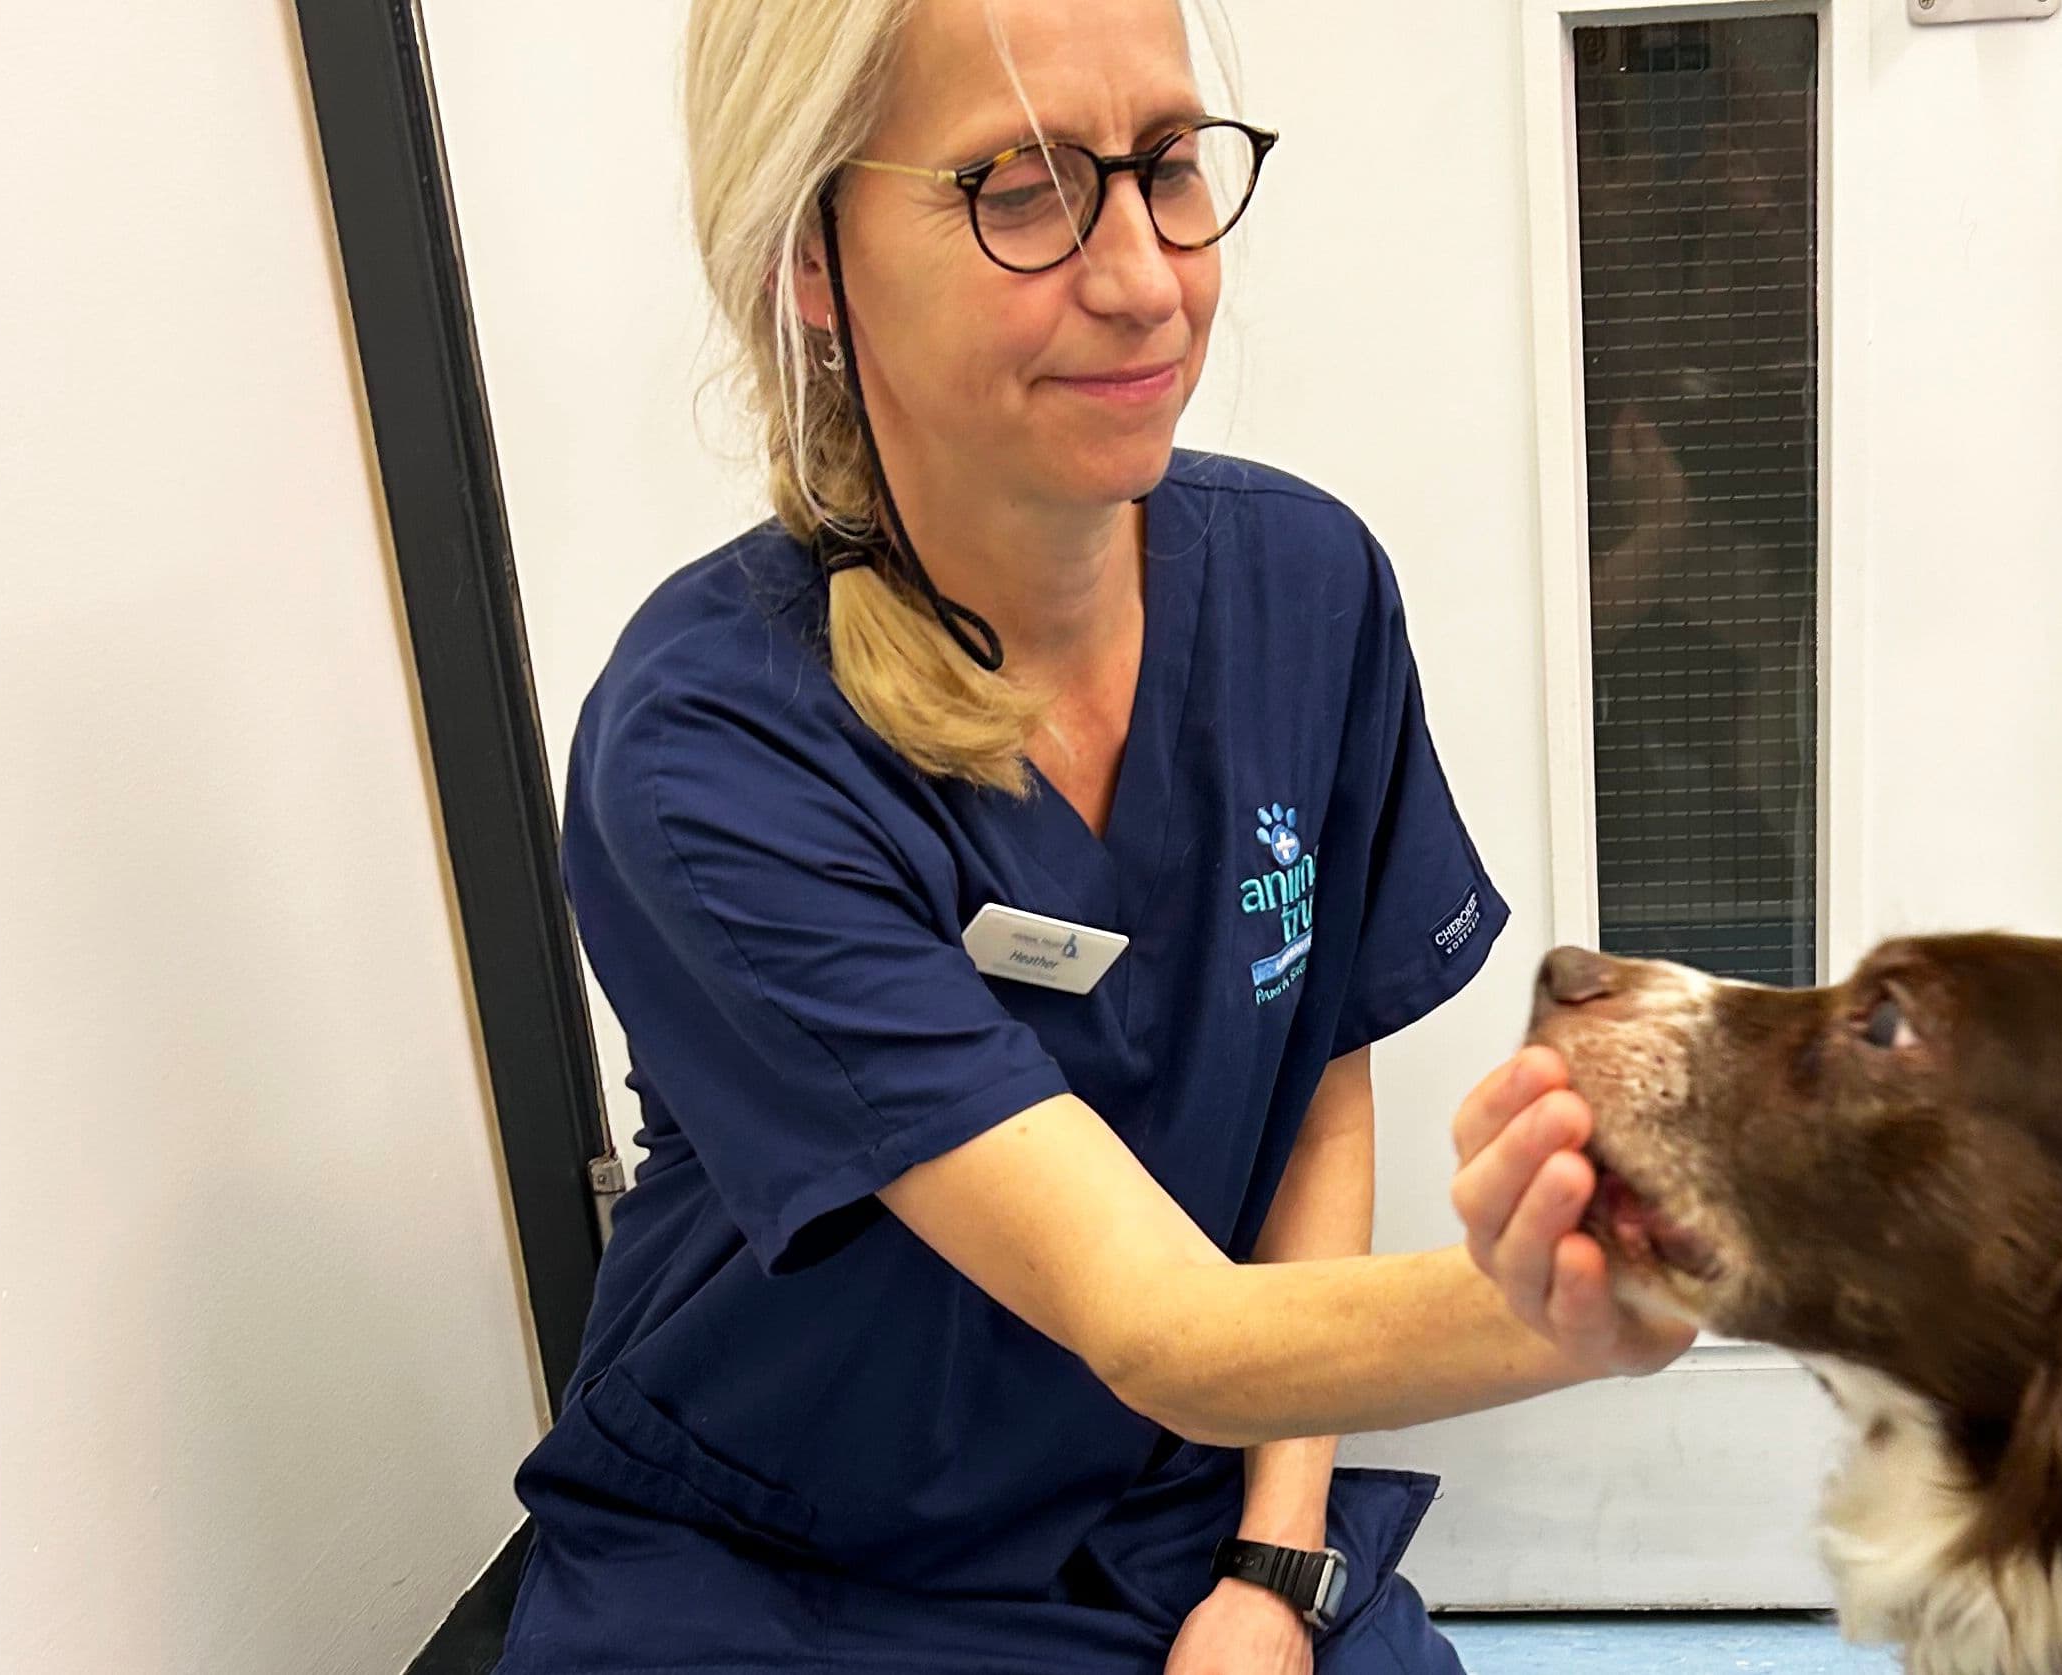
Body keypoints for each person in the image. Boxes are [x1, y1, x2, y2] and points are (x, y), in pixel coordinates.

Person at [493, 1, 1693, 1670]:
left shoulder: (1304, 589)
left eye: (1168, 165)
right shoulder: (713, 751)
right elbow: (1164, 1325)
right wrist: (1654, 1267)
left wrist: (1274, 1575)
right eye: (1024, 185)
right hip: (794, 1571)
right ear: (811, 258)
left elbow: (1312, 1081)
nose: (1146, 278)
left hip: (1169, 1514)